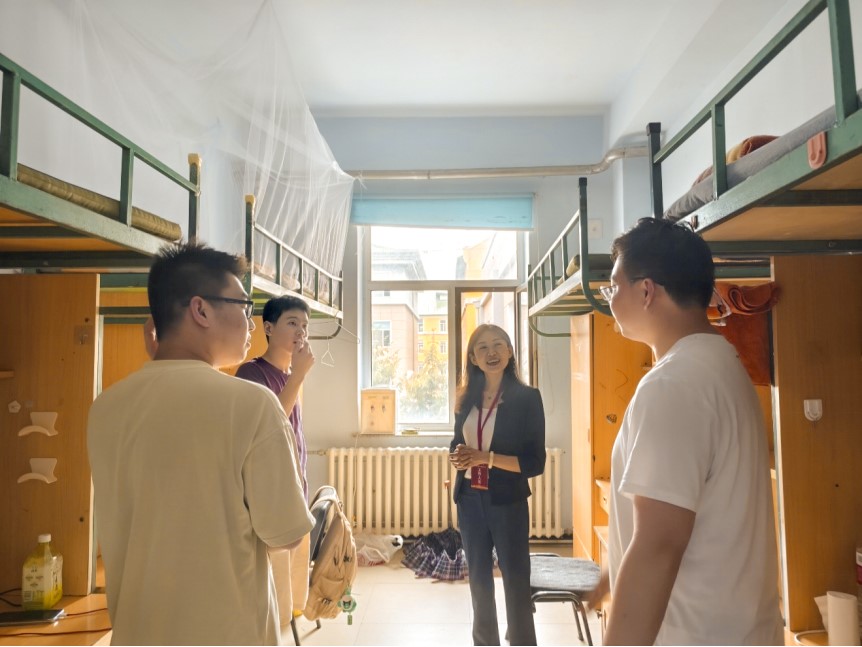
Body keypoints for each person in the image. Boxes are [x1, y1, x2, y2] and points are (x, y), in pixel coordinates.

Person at [88, 241, 313, 646]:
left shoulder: (106, 408)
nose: (249, 322)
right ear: (201, 310)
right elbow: (286, 536)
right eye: (243, 306)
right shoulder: (252, 403)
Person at [592, 218, 782, 645]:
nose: (610, 299)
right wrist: (611, 574)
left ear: (646, 291)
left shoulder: (672, 385)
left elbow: (658, 545)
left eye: (613, 287)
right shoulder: (721, 362)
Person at [449, 324, 546, 646]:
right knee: (478, 580)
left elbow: (535, 462)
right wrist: (458, 457)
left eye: (498, 345)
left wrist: (485, 458)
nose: (491, 353)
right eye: (482, 348)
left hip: (507, 501)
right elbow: (456, 442)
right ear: (473, 358)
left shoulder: (527, 398)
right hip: (469, 499)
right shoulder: (466, 399)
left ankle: (522, 641)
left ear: (509, 351)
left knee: (516, 580)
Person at [235, 295, 315, 629]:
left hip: (294, 485)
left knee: (294, 584)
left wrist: (296, 376)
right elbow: (269, 428)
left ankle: (290, 621)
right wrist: (298, 377)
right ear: (268, 328)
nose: (301, 332)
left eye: (305, 325)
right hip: (269, 495)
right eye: (292, 323)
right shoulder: (251, 372)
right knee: (274, 589)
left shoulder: (290, 374)